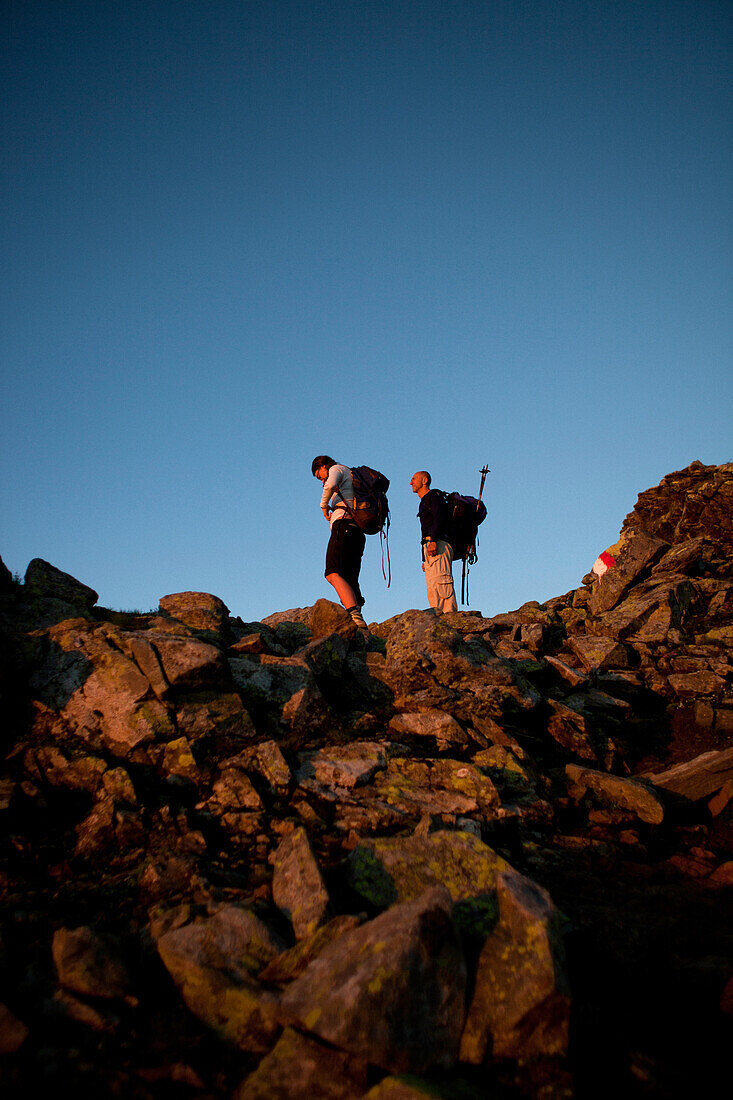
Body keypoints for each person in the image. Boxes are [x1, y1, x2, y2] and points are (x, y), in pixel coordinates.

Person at [312, 455, 370, 637]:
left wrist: (323, 506)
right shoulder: (351, 475)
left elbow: (329, 484)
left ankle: (354, 616)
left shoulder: (337, 469)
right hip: (357, 532)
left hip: (343, 527)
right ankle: (358, 619)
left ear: (323, 466)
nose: (320, 479)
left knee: (332, 572)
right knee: (349, 576)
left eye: (318, 474)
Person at [410, 470, 458, 614]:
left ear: (424, 481)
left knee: (442, 582)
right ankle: (440, 620)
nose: (411, 482)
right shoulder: (425, 501)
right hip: (431, 546)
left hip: (438, 543)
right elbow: (426, 530)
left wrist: (434, 541)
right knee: (433, 585)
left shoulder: (434, 497)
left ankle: (450, 618)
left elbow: (439, 519)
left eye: (414, 479)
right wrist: (424, 559)